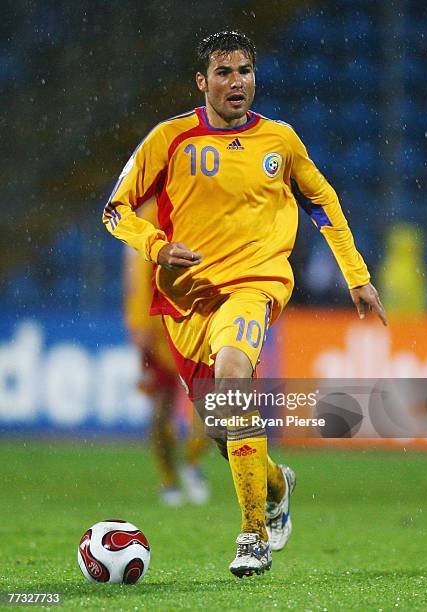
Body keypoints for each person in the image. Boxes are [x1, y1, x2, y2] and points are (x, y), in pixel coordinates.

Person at [103, 30, 387, 578]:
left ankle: (252, 534)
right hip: (188, 302)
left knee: (236, 376)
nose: (238, 83)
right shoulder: (170, 139)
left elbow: (322, 199)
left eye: (246, 71)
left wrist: (357, 276)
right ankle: (277, 484)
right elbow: (115, 211)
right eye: (225, 73)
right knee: (221, 425)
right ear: (201, 82)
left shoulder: (280, 141)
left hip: (255, 286)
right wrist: (157, 247)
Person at [123, 203, 209, 506]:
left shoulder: (202, 204)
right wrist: (139, 323)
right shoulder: (148, 215)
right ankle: (169, 480)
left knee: (213, 408)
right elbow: (136, 275)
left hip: (199, 324)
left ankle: (190, 462)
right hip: (159, 330)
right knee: (161, 410)